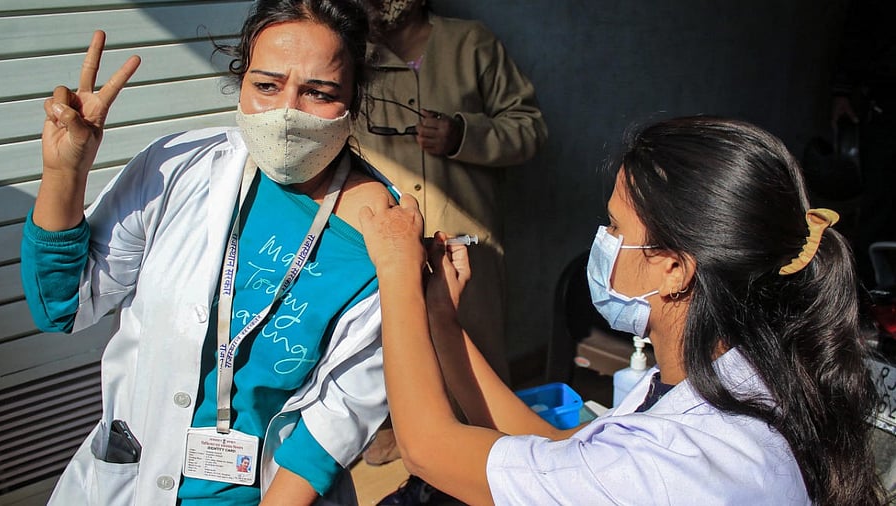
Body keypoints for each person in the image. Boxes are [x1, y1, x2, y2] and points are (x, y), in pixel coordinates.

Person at [359, 116, 889, 505]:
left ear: (674, 270)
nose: (602, 241)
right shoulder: (738, 374)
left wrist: (396, 272)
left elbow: (429, 448)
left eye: (615, 227)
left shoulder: (670, 464)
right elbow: (560, 450)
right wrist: (443, 323)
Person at [21, 0, 393, 504]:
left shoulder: (380, 235)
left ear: (354, 99)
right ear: (240, 82)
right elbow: (62, 304)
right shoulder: (178, 170)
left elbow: (340, 417)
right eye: (266, 85)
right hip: (127, 486)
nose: (287, 110)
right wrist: (65, 173)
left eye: (319, 92)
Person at [353, 0, 548, 475]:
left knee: (470, 347)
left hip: (461, 241)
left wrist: (464, 134)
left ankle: (489, 462)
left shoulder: (471, 43)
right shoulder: (354, 51)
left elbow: (529, 128)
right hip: (382, 236)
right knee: (382, 342)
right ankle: (391, 433)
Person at [830, 0, 896, 289]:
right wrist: (842, 92)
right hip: (886, 107)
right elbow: (860, 30)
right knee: (878, 204)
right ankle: (870, 295)